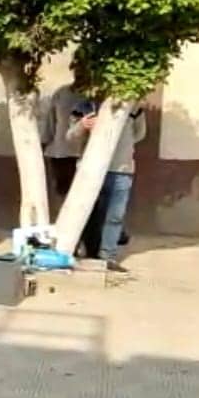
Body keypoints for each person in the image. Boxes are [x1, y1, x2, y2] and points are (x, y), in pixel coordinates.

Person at [66, 99, 146, 272]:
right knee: (87, 214)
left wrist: (122, 145)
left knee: (115, 216)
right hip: (90, 169)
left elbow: (139, 133)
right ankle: (86, 252)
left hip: (121, 169)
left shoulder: (133, 106)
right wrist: (82, 126)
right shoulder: (84, 105)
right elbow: (70, 136)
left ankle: (107, 256)